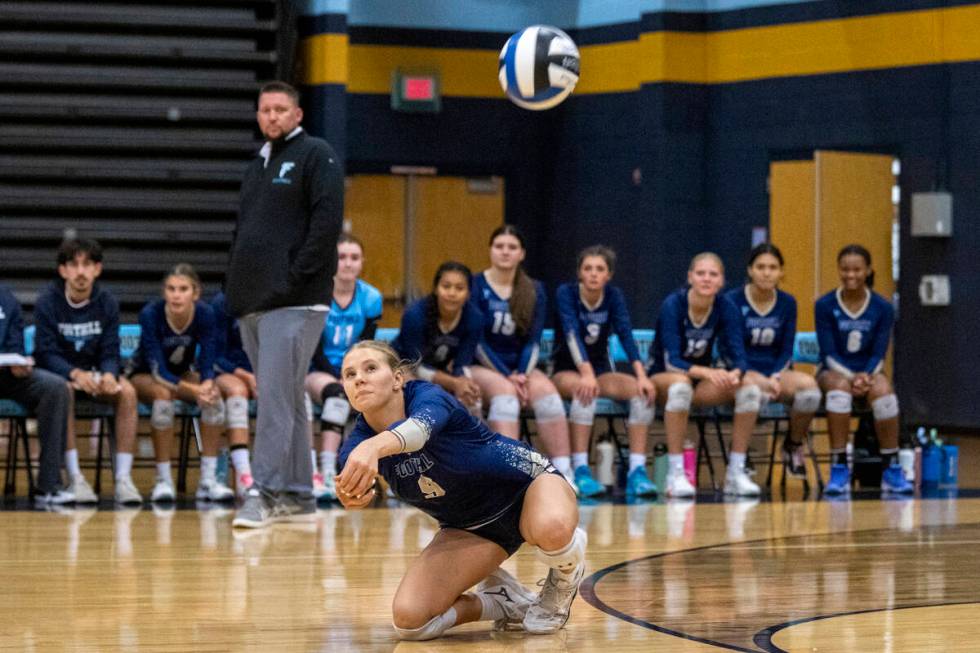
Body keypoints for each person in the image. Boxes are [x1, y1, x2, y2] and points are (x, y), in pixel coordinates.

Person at [336, 341, 586, 639]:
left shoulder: (428, 397)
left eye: (371, 368)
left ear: (398, 378)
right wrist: (351, 497)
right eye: (349, 375)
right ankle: (501, 603)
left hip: (527, 485)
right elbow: (352, 491)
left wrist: (374, 446)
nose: (359, 378)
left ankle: (564, 574)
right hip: (471, 527)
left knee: (551, 527)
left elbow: (417, 432)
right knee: (411, 622)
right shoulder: (356, 446)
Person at [225, 80, 344, 528]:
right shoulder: (259, 164)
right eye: (264, 110)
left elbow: (326, 223)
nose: (271, 117)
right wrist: (234, 287)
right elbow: (245, 231)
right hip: (254, 302)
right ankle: (297, 492)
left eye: (280, 109)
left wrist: (295, 278)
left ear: (297, 115)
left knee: (275, 397)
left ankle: (264, 490)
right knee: (290, 397)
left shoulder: (316, 155)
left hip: (295, 301)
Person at [33, 238, 142, 505]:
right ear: (63, 271)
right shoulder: (47, 302)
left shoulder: (107, 302)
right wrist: (74, 374)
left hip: (95, 374)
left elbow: (110, 349)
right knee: (63, 392)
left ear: (97, 269)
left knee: (127, 391)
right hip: (64, 376)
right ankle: (76, 478)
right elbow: (45, 352)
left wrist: (107, 374)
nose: (81, 271)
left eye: (87, 264)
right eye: (74, 264)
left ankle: (123, 480)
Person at [649, 252, 762, 499]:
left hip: (699, 382)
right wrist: (709, 372)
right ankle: (675, 474)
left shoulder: (726, 307)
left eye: (713, 274)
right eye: (701, 273)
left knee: (750, 390)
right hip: (663, 378)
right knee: (680, 388)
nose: (706, 279)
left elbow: (739, 354)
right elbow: (672, 361)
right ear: (690, 277)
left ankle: (735, 472)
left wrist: (735, 373)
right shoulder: (673, 305)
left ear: (722, 281)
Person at [469, 226, 574, 486]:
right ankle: (507, 476)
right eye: (500, 246)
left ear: (522, 254)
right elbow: (477, 342)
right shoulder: (475, 285)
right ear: (490, 250)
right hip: (483, 364)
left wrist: (521, 374)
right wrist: (509, 376)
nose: (505, 252)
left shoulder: (533, 289)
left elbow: (533, 341)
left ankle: (563, 474)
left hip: (520, 367)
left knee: (549, 397)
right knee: (506, 397)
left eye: (512, 247)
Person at [551, 246, 657, 497]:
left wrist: (642, 376)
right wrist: (585, 373)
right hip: (566, 369)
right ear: (579, 273)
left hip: (599, 370)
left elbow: (625, 333)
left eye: (600, 269)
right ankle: (581, 469)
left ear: (608, 274)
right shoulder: (566, 293)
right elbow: (571, 334)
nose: (593, 274)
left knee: (642, 394)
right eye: (588, 268)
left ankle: (637, 471)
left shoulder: (613, 296)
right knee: (584, 390)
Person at [129, 264, 233, 503]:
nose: (176, 295)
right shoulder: (150, 314)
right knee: (163, 399)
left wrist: (206, 384)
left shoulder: (205, 313)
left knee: (213, 397)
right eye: (171, 289)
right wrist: (195, 389)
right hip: (145, 375)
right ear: (164, 293)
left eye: (183, 289)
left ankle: (208, 480)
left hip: (183, 374)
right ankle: (163, 480)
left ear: (195, 293)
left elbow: (208, 358)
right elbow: (158, 370)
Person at [816, 244, 912, 495]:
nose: (851, 275)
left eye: (857, 269)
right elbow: (828, 352)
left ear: (868, 270)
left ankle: (892, 468)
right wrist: (851, 378)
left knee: (884, 393)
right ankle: (839, 468)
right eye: (845, 269)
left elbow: (879, 352)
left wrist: (866, 376)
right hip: (833, 370)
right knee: (839, 389)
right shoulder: (825, 305)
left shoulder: (882, 307)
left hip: (869, 370)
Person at [726, 244, 822, 478]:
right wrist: (754, 378)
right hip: (741, 371)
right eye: (760, 267)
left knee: (811, 392)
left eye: (773, 267)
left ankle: (792, 445)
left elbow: (787, 346)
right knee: (752, 390)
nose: (766, 273)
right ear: (750, 270)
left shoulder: (788, 303)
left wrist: (776, 376)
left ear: (781, 272)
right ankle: (741, 450)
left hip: (775, 372)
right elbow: (732, 347)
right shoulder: (731, 301)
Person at [305, 233, 383, 502]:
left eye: (354, 257)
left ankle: (385, 475)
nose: (348, 263)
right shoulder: (317, 294)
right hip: (317, 370)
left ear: (361, 263)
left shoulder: (371, 297)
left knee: (383, 397)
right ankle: (327, 472)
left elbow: (367, 346)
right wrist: (339, 375)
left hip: (354, 369)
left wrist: (353, 373)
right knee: (337, 395)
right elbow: (313, 348)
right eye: (341, 257)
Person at [0, 283, 73, 504]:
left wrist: (20, 363)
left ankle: (49, 486)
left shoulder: (5, 298)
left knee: (55, 387)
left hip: (6, 376)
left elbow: (15, 345)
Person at [392, 261, 483, 412]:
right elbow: (415, 366)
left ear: (468, 294)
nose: (452, 293)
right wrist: (454, 383)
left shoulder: (475, 318)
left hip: (439, 370)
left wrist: (464, 384)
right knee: (421, 395)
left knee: (471, 398)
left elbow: (461, 364)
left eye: (459, 288)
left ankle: (474, 434)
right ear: (435, 289)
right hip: (403, 366)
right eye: (446, 286)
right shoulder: (415, 315)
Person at [211, 291, 255, 497]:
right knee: (236, 392)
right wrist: (246, 376)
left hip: (260, 372)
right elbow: (215, 356)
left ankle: (303, 474)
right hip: (226, 370)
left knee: (292, 394)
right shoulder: (222, 303)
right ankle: (243, 474)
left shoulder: (273, 299)